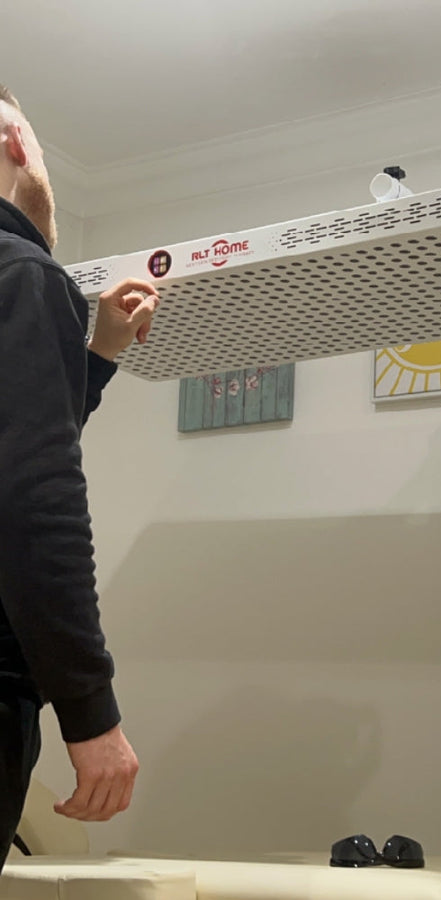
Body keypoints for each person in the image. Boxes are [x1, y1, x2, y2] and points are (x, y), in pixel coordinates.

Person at [0, 83, 160, 870]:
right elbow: (31, 498)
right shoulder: (20, 271)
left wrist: (93, 358)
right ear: (15, 139)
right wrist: (90, 712)